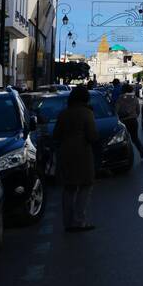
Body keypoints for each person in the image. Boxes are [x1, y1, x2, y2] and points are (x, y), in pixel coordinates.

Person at [55, 86, 99, 232]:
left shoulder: (64, 114)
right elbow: (92, 135)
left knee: (69, 188)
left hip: (65, 153)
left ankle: (68, 222)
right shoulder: (87, 113)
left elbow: (56, 135)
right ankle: (79, 221)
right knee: (85, 186)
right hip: (82, 154)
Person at [115, 83, 143, 160]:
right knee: (135, 138)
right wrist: (134, 116)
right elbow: (138, 110)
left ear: (123, 90)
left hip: (124, 122)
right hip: (133, 121)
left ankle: (126, 156)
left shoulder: (120, 98)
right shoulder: (134, 98)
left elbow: (116, 110)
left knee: (124, 139)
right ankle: (141, 148)